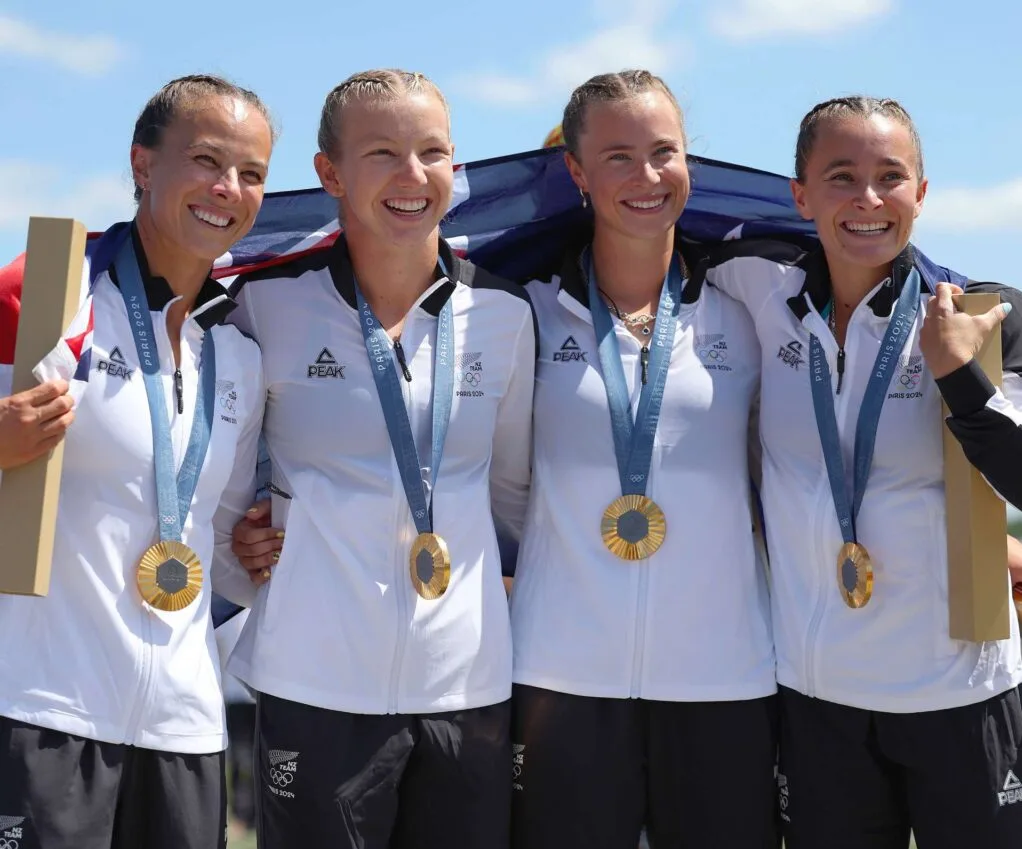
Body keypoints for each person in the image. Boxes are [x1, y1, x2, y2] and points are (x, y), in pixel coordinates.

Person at [225, 69, 535, 849]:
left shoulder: (504, 313)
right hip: (312, 680)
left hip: (467, 685)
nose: (413, 176)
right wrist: (242, 538)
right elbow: (222, 473)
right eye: (383, 153)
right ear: (329, 173)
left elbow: (512, 493)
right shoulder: (267, 304)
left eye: (432, 152)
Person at [703, 95, 1022, 849]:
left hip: (962, 696)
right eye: (841, 176)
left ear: (922, 191)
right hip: (818, 701)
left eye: (891, 176)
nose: (868, 199)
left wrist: (960, 380)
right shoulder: (754, 285)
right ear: (800, 194)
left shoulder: (986, 314)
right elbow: (641, 230)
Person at [0, 74, 274, 849]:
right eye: (207, 160)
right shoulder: (47, 290)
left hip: (185, 727)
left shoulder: (241, 354)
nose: (229, 188)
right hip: (41, 707)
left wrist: (247, 553)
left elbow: (216, 554)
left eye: (251, 172)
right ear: (143, 165)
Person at [509, 70, 777, 849]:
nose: (647, 176)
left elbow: (806, 464)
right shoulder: (515, 309)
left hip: (725, 675)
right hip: (561, 677)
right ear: (576, 172)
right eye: (618, 156)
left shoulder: (750, 307)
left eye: (664, 152)